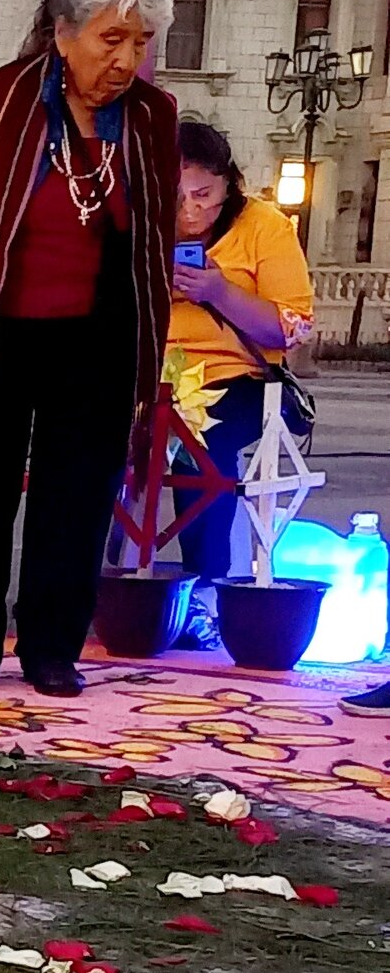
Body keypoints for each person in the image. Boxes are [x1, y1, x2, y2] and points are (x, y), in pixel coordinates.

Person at [0, 0, 179, 698]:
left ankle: (54, 646)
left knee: (79, 493)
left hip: (96, 336)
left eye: (139, 42)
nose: (125, 59)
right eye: (110, 39)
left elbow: (151, 245)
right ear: (63, 34)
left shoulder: (153, 119)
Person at [164, 119, 317, 641]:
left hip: (239, 375)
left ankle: (205, 588)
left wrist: (219, 291)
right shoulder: (146, 225)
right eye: (177, 195)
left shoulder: (263, 226)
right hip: (152, 375)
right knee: (94, 445)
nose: (190, 209)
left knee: (202, 446)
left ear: (228, 182)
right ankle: (98, 581)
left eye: (203, 193)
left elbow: (291, 326)